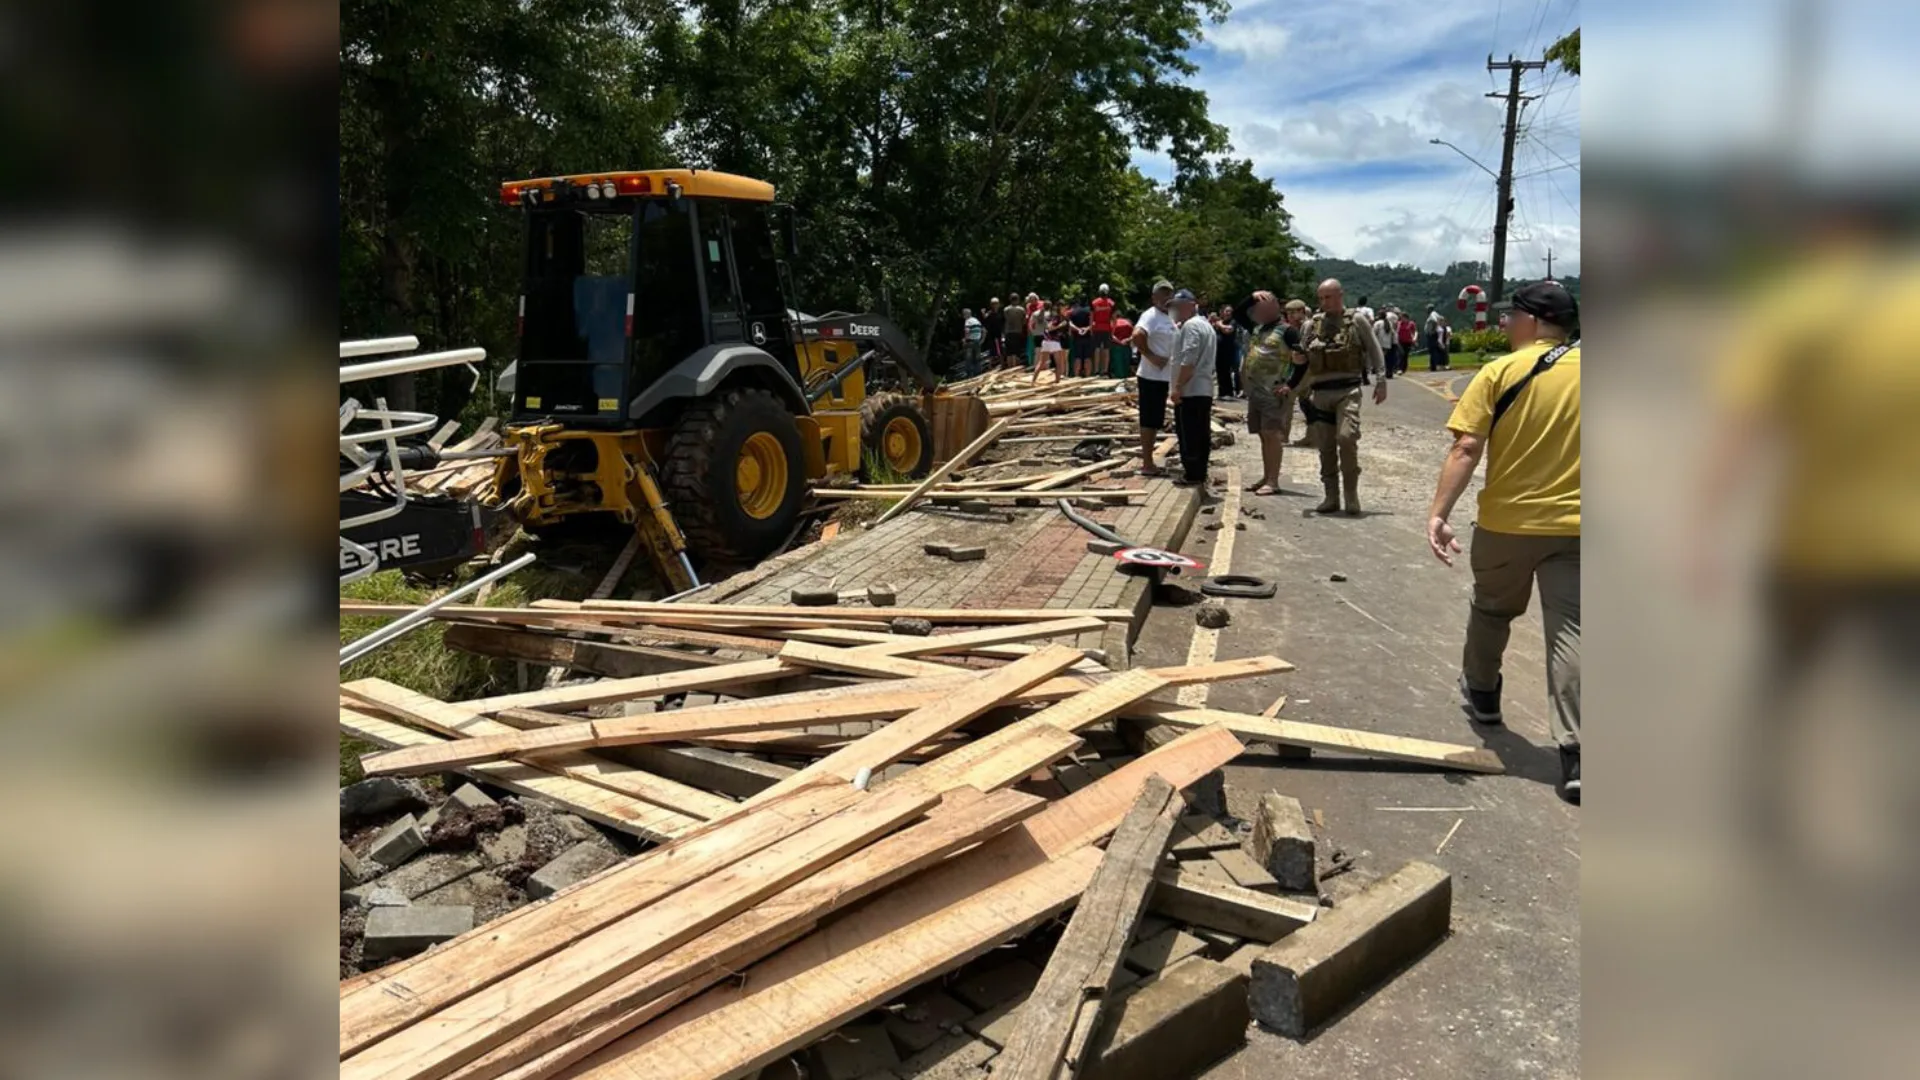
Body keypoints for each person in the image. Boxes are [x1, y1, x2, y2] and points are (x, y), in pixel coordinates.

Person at [1424, 280, 1581, 803]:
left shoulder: (1499, 372)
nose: (1504, 325)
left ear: (1533, 321)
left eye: (1510, 317)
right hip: (1581, 528)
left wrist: (1439, 514)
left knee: (1493, 609)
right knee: (1573, 632)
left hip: (1508, 523)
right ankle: (1578, 752)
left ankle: (1485, 694)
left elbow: (1467, 447)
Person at [1300, 278, 1386, 515]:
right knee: (1326, 446)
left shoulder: (1356, 321)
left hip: (1347, 391)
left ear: (1340, 295)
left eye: (1328, 297)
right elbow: (1301, 357)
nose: (1324, 302)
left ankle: (1351, 494)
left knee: (1347, 438)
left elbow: (1375, 350)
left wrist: (1381, 380)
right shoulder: (1311, 326)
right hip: (1320, 392)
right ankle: (1331, 496)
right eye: (1321, 298)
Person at [1240, 292, 1308, 495]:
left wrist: (1291, 384)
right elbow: (1238, 313)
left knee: (1272, 434)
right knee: (1262, 434)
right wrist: (1252, 297)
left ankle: (1273, 480)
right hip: (1256, 390)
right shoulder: (1258, 328)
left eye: (1264, 307)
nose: (1258, 311)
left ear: (1275, 308)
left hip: (1274, 391)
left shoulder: (1288, 332)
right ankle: (1266, 475)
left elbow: (1303, 360)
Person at [1167, 288, 1217, 489]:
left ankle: (1193, 474)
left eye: (1178, 306)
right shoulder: (1205, 325)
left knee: (1189, 434)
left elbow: (1189, 359)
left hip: (1192, 389)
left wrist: (1178, 387)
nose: (1176, 310)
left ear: (1190, 305)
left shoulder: (1191, 327)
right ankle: (1199, 472)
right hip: (1202, 388)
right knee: (1200, 432)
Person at [1129, 280, 1178, 477]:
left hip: (1168, 376)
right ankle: (1147, 463)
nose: (1166, 298)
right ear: (1154, 297)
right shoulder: (1150, 316)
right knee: (1149, 420)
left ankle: (1152, 461)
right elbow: (1137, 335)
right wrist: (1150, 355)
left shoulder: (1171, 316)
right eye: (1162, 295)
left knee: (1158, 419)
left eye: (1169, 294)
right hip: (1151, 376)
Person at [1208, 303, 1241, 399]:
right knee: (1219, 371)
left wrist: (1219, 324)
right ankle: (1222, 393)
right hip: (1217, 350)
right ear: (1221, 312)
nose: (1228, 313)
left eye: (1230, 311)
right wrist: (1212, 321)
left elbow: (1228, 330)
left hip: (1228, 350)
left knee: (1226, 371)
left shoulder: (1233, 322)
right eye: (1226, 311)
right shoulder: (1220, 322)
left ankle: (1228, 393)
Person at [1033, 302, 1069, 383]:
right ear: (1060, 309)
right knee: (1058, 363)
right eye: (1064, 308)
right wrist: (1060, 325)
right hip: (1054, 342)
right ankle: (1057, 381)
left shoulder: (1054, 316)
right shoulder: (1058, 318)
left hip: (1046, 341)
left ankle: (1033, 381)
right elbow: (1049, 328)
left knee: (1041, 363)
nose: (1065, 309)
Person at [1090, 284, 1116, 376]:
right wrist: (1113, 331)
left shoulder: (1094, 303)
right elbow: (1114, 319)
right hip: (1107, 328)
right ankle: (1105, 370)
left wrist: (1091, 329)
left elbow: (1091, 317)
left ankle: (1096, 370)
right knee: (1106, 349)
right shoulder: (1111, 303)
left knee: (1096, 349)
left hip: (1097, 327)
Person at [1068, 296, 1094, 377]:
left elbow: (1070, 324)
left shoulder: (1073, 311)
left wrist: (1078, 329)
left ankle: (1076, 375)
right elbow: (1093, 323)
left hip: (1077, 337)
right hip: (1087, 337)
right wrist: (1086, 329)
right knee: (1087, 357)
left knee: (1077, 357)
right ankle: (1088, 375)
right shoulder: (1089, 311)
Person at [1002, 296, 1028, 369]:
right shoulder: (1021, 309)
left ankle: (1009, 367)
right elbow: (1024, 322)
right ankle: (1015, 368)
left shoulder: (1006, 309)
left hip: (1008, 331)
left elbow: (1005, 319)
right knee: (1016, 351)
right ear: (1018, 300)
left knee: (1009, 351)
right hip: (1017, 331)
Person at [960, 308, 984, 377]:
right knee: (977, 359)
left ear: (966, 314)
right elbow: (984, 330)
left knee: (968, 359)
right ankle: (978, 375)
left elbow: (967, 331)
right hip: (977, 341)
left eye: (964, 314)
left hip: (970, 342)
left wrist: (965, 340)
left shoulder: (968, 321)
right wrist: (982, 340)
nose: (963, 316)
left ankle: (969, 376)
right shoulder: (976, 320)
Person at [1372, 308, 1395, 381]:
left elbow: (1373, 333)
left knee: (1380, 360)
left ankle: (1381, 373)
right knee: (1386, 359)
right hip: (1387, 344)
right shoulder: (1389, 323)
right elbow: (1392, 334)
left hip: (1379, 343)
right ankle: (1388, 372)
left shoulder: (1377, 323)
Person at [983, 298, 1005, 368]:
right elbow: (985, 319)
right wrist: (983, 313)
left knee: (1000, 349)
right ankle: (990, 366)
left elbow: (1002, 323)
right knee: (992, 350)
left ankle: (1002, 364)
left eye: (996, 303)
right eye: (993, 304)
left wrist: (1003, 333)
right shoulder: (990, 313)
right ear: (991, 305)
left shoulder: (1000, 313)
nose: (995, 305)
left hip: (999, 333)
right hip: (992, 334)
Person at [1396, 305, 1418, 376]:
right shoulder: (1399, 323)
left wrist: (1414, 338)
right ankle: (1399, 368)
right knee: (1401, 354)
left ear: (1406, 318)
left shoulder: (1411, 324)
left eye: (1402, 317)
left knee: (1405, 355)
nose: (1401, 319)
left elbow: (1415, 332)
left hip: (1408, 342)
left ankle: (1404, 369)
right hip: (1400, 341)